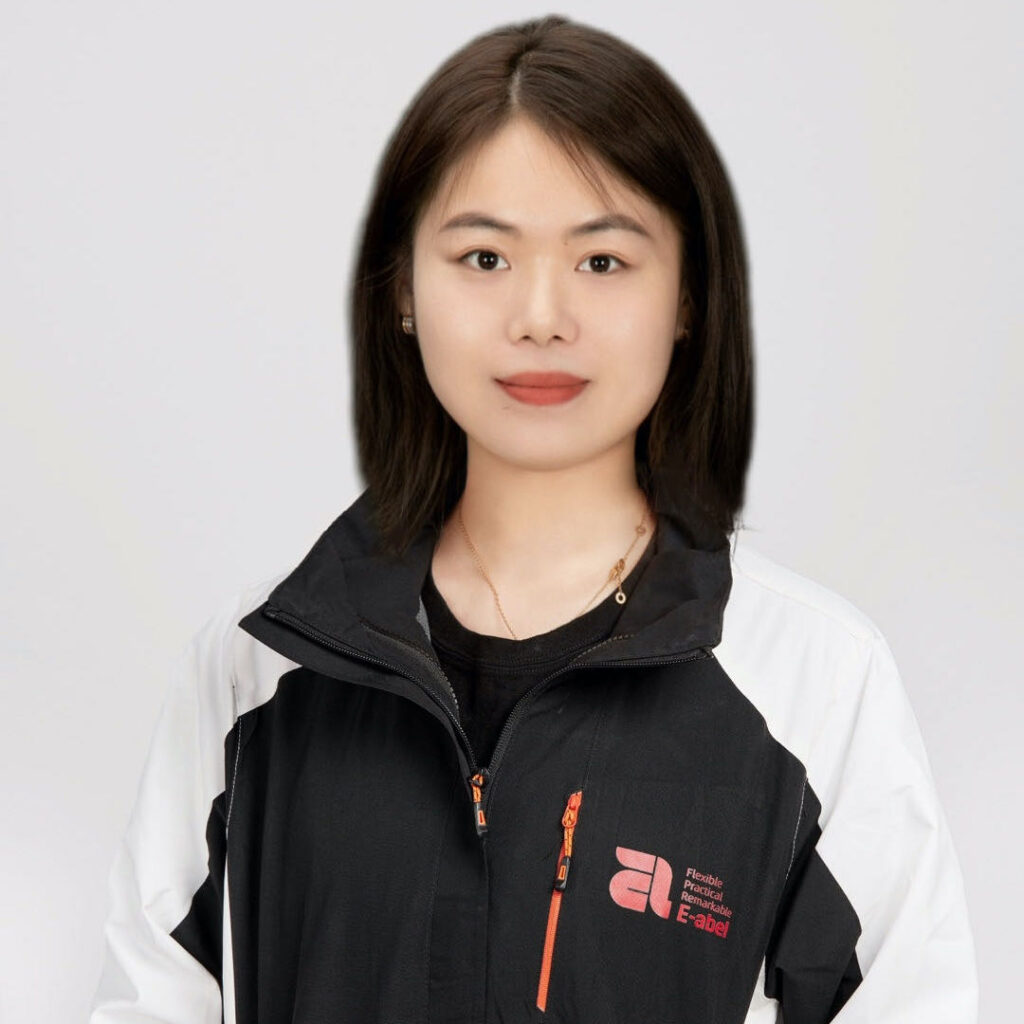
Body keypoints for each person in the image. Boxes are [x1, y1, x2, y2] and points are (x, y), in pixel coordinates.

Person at [89, 14, 978, 1024]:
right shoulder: (255, 671)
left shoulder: (815, 685)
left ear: (688, 297)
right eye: (483, 258)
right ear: (403, 289)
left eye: (602, 261)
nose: (541, 317)